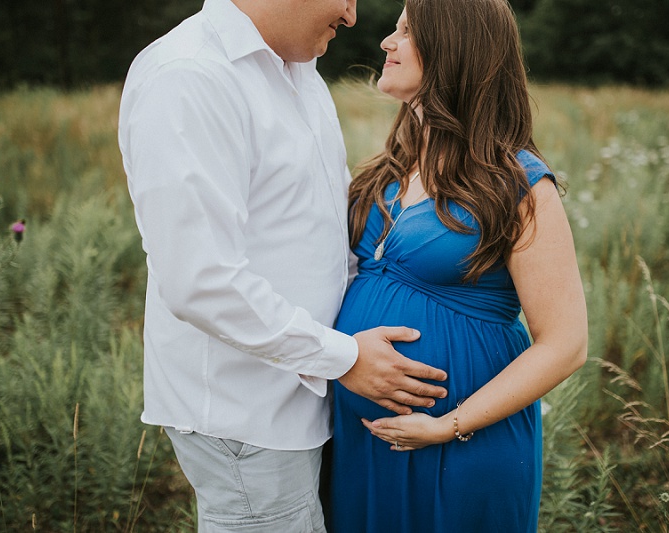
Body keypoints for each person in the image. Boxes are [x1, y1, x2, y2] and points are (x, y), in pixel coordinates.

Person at [117, 0, 449, 531]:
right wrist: (342, 357)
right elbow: (201, 281)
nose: (352, 16)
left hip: (306, 397)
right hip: (249, 413)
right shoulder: (190, 76)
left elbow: (319, 230)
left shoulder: (296, 71)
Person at [328, 0, 588, 531]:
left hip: (463, 443)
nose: (386, 42)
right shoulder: (386, 169)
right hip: (362, 440)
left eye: (405, 30)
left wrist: (449, 426)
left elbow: (565, 344)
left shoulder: (517, 183)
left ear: (452, 48)